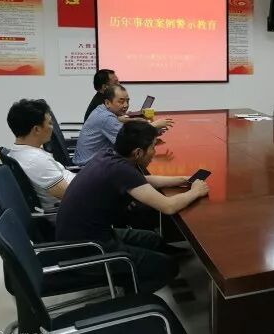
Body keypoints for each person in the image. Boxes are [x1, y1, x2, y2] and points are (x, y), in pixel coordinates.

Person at [56, 121, 209, 293]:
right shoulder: (121, 170)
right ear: (137, 152)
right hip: (87, 248)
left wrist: (182, 180)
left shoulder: (109, 156)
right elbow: (168, 206)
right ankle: (133, 296)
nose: (154, 152)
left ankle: (143, 267)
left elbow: (140, 180)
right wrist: (195, 192)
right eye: (153, 147)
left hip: (80, 235)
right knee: (168, 267)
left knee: (153, 239)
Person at [74, 85, 173, 165]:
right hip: (89, 165)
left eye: (127, 101)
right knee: (134, 159)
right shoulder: (106, 118)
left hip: (93, 159)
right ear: (107, 103)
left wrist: (150, 129)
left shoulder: (101, 109)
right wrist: (153, 126)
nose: (126, 105)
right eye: (121, 101)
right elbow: (129, 140)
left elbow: (121, 125)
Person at [6, 99, 75, 209]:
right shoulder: (36, 160)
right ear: (37, 129)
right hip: (76, 210)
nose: (52, 127)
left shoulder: (17, 152)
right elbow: (73, 196)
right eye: (50, 123)